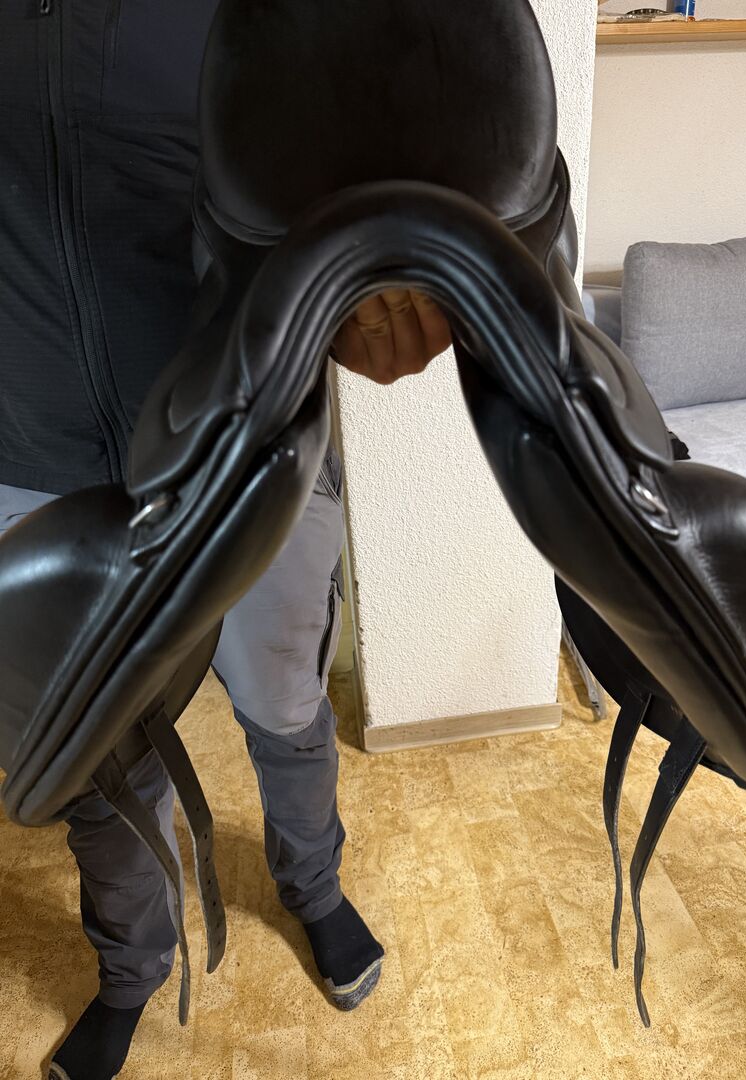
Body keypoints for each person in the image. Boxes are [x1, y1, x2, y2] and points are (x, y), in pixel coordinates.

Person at [0, 4, 451, 1079]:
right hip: (29, 459)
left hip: (247, 447)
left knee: (285, 699)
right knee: (101, 753)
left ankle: (313, 885)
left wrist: (378, 287)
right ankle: (131, 971)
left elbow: (336, 198)